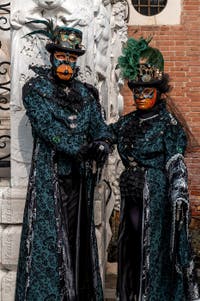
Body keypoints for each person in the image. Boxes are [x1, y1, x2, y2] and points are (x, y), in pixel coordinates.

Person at [15, 21, 112, 301]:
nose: (67, 64)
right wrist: (79, 147)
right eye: (62, 57)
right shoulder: (35, 89)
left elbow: (100, 126)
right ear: (52, 56)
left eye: (72, 58)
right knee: (51, 241)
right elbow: (47, 128)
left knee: (77, 241)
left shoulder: (86, 94)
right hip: (51, 178)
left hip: (80, 181)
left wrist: (103, 143)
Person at [110, 37, 200, 301]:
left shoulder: (168, 124)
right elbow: (104, 135)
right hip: (131, 200)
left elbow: (175, 161)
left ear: (158, 92)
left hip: (156, 199)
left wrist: (180, 192)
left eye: (147, 92)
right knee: (130, 249)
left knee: (152, 250)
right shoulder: (126, 123)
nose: (140, 97)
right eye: (137, 91)